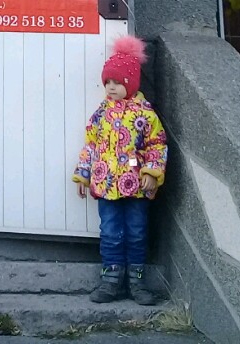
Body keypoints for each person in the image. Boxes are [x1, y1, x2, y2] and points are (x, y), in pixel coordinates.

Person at [72, 34, 167, 305]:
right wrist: (84, 173)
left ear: (131, 82)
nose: (111, 87)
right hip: (105, 184)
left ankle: (137, 282)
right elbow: (91, 144)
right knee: (110, 232)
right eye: (107, 82)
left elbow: (157, 144)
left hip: (136, 186)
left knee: (136, 232)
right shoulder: (101, 114)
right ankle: (111, 280)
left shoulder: (145, 114)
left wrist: (151, 172)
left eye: (117, 82)